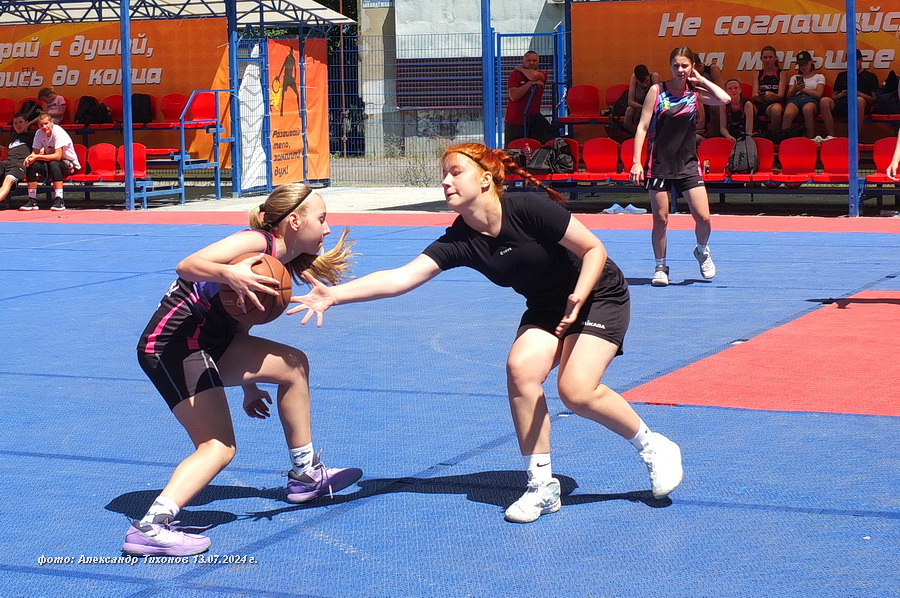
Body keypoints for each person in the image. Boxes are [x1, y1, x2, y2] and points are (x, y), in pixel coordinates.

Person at [290, 143, 684, 524]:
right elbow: (402, 278)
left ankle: (654, 447)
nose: (445, 181)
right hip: (548, 307)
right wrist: (334, 296)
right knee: (521, 370)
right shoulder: (461, 240)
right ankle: (542, 486)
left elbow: (594, 249)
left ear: (485, 179)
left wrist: (578, 296)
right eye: (443, 174)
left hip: (596, 292)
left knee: (576, 391)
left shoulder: (527, 208)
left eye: (455, 172)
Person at [123, 183, 363, 557]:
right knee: (218, 446)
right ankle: (151, 527)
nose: (328, 228)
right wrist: (230, 274)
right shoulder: (254, 242)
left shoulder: (278, 265)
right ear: (295, 221)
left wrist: (250, 385)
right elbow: (187, 266)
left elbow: (239, 321)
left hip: (208, 342)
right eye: (322, 219)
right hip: (173, 344)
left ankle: (305, 475)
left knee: (294, 366)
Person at [630, 46, 730, 287]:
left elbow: (724, 99)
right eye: (676, 65)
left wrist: (701, 79)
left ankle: (702, 250)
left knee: (703, 217)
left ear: (692, 67)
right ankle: (660, 267)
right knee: (661, 219)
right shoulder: (657, 91)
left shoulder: (695, 93)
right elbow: (642, 127)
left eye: (685, 65)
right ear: (670, 66)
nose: (680, 70)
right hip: (659, 164)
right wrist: (636, 162)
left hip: (687, 164)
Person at [20, 112, 79, 211]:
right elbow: (35, 153)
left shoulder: (58, 132)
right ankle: (32, 200)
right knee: (31, 164)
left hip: (69, 164)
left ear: (52, 122)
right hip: (50, 163)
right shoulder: (39, 133)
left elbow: (58, 156)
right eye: (41, 125)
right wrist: (29, 158)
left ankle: (59, 200)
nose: (44, 127)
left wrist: (37, 156)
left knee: (54, 163)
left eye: (46, 123)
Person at [818, 49, 880, 143]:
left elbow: (874, 100)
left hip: (861, 105)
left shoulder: (870, 76)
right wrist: (840, 95)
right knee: (824, 101)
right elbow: (833, 97)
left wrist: (859, 94)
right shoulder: (841, 76)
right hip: (843, 103)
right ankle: (831, 137)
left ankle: (854, 138)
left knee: (859, 100)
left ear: (861, 60)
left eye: (854, 61)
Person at [504, 51, 548, 144]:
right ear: (523, 61)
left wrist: (521, 68)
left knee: (538, 145)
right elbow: (514, 96)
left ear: (538, 62)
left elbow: (533, 76)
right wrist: (529, 84)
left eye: (534, 60)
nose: (531, 63)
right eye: (528, 60)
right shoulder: (515, 75)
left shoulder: (542, 74)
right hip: (515, 120)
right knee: (513, 148)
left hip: (533, 119)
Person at [781, 51, 826, 139]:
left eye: (805, 64)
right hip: (795, 99)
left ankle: (810, 138)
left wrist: (803, 89)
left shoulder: (819, 77)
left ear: (811, 62)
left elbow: (819, 94)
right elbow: (788, 96)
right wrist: (795, 89)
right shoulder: (794, 77)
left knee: (808, 109)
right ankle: (784, 139)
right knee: (788, 113)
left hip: (810, 99)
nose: (803, 67)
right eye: (801, 65)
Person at [0, 113, 36, 209]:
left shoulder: (33, 135)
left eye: (20, 122)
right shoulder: (13, 136)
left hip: (19, 164)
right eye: (15, 123)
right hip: (6, 162)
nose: (18, 125)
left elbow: (39, 150)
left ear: (26, 123)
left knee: (8, 181)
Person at [750, 45, 788, 132]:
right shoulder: (757, 74)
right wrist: (757, 96)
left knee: (776, 110)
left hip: (773, 103)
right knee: (748, 108)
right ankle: (749, 134)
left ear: (775, 58)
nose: (768, 60)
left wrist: (772, 95)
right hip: (759, 104)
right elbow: (753, 95)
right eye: (765, 57)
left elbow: (781, 96)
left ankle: (775, 135)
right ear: (761, 59)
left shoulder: (781, 73)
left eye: (770, 57)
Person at [625, 64, 660, 134]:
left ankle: (651, 134)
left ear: (648, 75)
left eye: (647, 81)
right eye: (641, 83)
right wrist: (642, 107)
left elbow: (658, 99)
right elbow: (630, 102)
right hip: (640, 107)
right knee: (629, 110)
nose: (645, 85)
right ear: (637, 80)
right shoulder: (634, 77)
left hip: (652, 107)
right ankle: (630, 134)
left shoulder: (654, 76)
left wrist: (646, 108)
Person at [273, 46, 300, 117]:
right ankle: (281, 110)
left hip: (290, 78)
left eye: (292, 51)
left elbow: (295, 69)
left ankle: (299, 111)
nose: (291, 52)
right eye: (291, 50)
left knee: (297, 94)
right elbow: (283, 67)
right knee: (283, 94)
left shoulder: (293, 59)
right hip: (286, 78)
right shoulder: (287, 58)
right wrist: (279, 76)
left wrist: (295, 77)